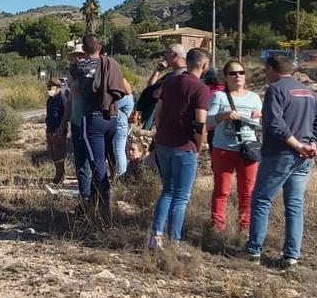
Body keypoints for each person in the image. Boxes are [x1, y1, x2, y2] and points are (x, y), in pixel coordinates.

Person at [245, 54, 317, 267]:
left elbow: (275, 124)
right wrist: (314, 145)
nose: (265, 74)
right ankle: (292, 256)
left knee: (262, 200)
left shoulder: (276, 89)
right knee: (294, 205)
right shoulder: (307, 91)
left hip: (280, 154)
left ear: (272, 68)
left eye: (265, 70)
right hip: (304, 157)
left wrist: (298, 145)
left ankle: (253, 250)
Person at [147, 48, 210, 248]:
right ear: (205, 66)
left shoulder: (170, 82)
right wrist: (198, 145)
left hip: (164, 142)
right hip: (185, 145)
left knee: (167, 190)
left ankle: (155, 235)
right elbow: (200, 122)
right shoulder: (200, 88)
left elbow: (158, 113)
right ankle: (174, 240)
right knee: (181, 196)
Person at [63, 35, 122, 222]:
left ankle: (103, 213)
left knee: (96, 167)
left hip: (92, 118)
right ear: (101, 47)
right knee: (104, 161)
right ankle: (94, 208)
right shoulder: (111, 64)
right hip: (111, 116)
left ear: (84, 50)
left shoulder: (79, 67)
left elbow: (73, 84)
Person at [206, 60, 262, 233]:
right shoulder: (219, 96)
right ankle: (218, 227)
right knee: (222, 190)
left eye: (241, 72)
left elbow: (259, 124)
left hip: (248, 149)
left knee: (247, 191)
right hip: (224, 149)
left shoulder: (254, 97)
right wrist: (223, 115)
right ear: (226, 77)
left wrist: (259, 115)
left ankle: (244, 228)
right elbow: (208, 122)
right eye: (233, 73)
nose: (238, 76)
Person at [135, 44, 188, 131]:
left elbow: (156, 94)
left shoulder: (183, 75)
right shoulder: (170, 75)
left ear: (175, 54)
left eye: (167, 53)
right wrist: (158, 70)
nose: (164, 56)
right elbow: (150, 87)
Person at [109, 80, 135, 178]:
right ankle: (120, 174)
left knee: (119, 151)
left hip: (120, 125)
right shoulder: (128, 97)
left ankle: (121, 174)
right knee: (118, 150)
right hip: (122, 125)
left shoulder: (125, 97)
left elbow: (112, 107)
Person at [45, 80, 68, 184]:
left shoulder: (62, 98)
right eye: (49, 87)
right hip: (50, 128)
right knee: (52, 153)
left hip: (59, 129)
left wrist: (61, 128)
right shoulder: (50, 99)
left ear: (58, 87)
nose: (50, 89)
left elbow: (66, 114)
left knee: (59, 153)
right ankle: (58, 173)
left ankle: (60, 175)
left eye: (52, 87)